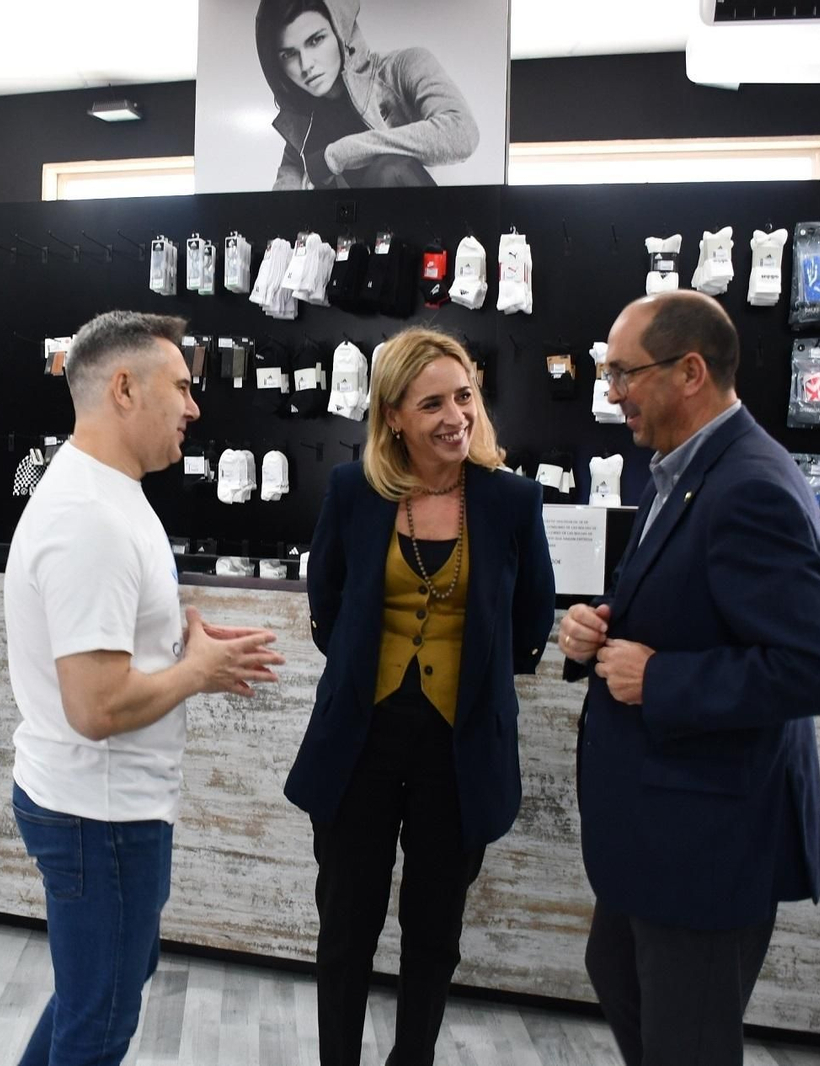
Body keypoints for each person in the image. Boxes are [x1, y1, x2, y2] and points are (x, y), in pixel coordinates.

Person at [559, 291, 820, 1066]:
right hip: (662, 830)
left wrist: (661, 680)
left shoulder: (750, 485)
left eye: (624, 373)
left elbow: (816, 670)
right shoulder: (684, 468)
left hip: (707, 841)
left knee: (685, 1041)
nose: (612, 392)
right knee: (618, 974)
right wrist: (598, 628)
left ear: (690, 372)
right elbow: (691, 605)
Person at [4, 310, 286, 1066]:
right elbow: (95, 706)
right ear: (124, 388)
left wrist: (181, 649)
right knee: (98, 1023)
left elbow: (113, 649)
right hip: (98, 814)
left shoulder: (108, 492)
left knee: (94, 999)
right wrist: (198, 672)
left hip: (104, 806)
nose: (195, 406)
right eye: (182, 387)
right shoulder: (90, 519)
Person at [286, 328, 556, 1066]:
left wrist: (479, 684)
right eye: (432, 403)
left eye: (464, 397)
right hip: (361, 741)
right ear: (393, 416)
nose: (455, 416)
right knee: (346, 926)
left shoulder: (511, 499)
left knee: (435, 933)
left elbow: (533, 613)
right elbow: (328, 603)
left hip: (458, 747)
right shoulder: (354, 490)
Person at [255, 0, 479, 190]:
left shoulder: (403, 67)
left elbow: (462, 133)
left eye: (316, 40)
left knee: (390, 168)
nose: (306, 65)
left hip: (421, 221)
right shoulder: (302, 126)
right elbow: (283, 201)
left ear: (341, 31)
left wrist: (338, 155)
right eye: (288, 54)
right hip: (352, 228)